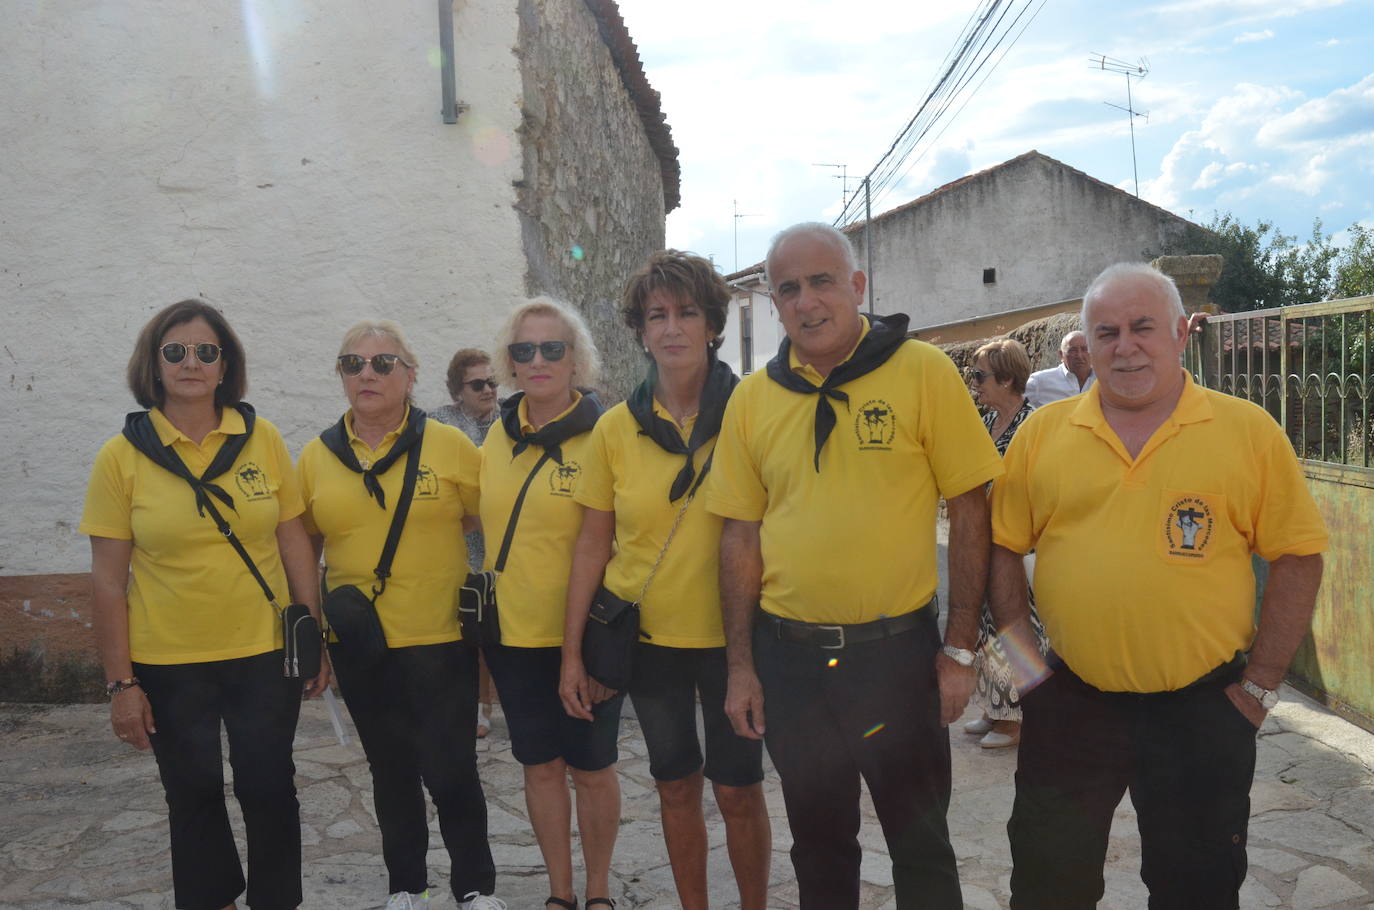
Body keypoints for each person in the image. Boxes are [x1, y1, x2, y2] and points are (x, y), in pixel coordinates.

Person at [989, 263, 1328, 909]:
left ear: (1178, 332)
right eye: (1107, 332)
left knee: (1196, 890)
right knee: (1046, 885)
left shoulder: (1247, 431)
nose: (1126, 345)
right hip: (1071, 705)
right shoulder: (1044, 435)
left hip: (1202, 711)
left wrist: (1257, 688)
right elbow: (1004, 548)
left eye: (1143, 327)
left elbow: (1299, 556)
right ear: (1086, 345)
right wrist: (1026, 672)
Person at [706, 223, 1005, 909]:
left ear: (858, 287)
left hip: (897, 660)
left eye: (822, 282)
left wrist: (961, 647)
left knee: (921, 847)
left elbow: (970, 509)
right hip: (792, 664)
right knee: (818, 848)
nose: (807, 302)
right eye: (789, 289)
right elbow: (739, 537)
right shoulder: (753, 400)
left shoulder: (922, 371)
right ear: (774, 304)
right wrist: (742, 664)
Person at [81, 298, 330, 910]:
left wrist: (314, 632)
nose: (191, 362)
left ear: (225, 367)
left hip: (263, 652)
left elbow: (293, 539)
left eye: (206, 352)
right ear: (155, 364)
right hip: (170, 661)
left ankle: (277, 901)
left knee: (270, 785)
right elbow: (109, 582)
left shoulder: (262, 438)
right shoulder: (122, 456)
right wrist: (121, 685)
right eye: (176, 351)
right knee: (191, 792)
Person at [561, 251, 772, 910]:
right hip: (651, 644)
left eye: (686, 312)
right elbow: (594, 544)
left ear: (712, 323)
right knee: (675, 785)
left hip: (739, 641)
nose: (672, 327)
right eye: (657, 315)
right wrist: (572, 653)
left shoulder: (753, 413)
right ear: (641, 330)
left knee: (739, 790)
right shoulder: (617, 431)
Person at [297, 320, 501, 910]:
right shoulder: (315, 458)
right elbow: (303, 546)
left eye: (383, 363)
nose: (367, 374)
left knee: (452, 770)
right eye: (353, 364)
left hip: (439, 637)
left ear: (409, 377)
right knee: (389, 772)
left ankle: (474, 888)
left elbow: (478, 515)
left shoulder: (450, 446)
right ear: (341, 377)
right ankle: (407, 886)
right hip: (361, 645)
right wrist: (314, 635)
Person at [478, 298, 621, 910]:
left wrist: (587, 650)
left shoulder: (605, 435)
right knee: (538, 765)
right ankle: (559, 894)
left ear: (575, 358)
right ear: (509, 363)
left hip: (586, 637)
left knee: (591, 768)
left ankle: (596, 892)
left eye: (552, 349)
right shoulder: (495, 436)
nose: (538, 361)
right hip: (513, 636)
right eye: (524, 350)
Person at [964, 338, 1049, 750]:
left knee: (1015, 626)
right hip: (985, 539)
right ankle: (996, 709)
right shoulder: (984, 421)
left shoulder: (1032, 424)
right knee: (986, 626)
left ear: (1007, 378)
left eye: (980, 375)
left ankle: (1018, 720)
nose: (974, 382)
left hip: (1016, 543)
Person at [432, 347, 501, 738]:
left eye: (492, 382)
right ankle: (466, 705)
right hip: (459, 540)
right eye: (478, 384)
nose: (489, 390)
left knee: (490, 629)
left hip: (500, 541)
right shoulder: (440, 424)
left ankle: (485, 705)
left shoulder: (509, 418)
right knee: (463, 630)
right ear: (458, 391)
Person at [1024, 330, 1093, 407]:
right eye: (1073, 350)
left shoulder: (1103, 380)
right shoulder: (1039, 382)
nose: (1080, 356)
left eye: (1085, 349)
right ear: (1061, 355)